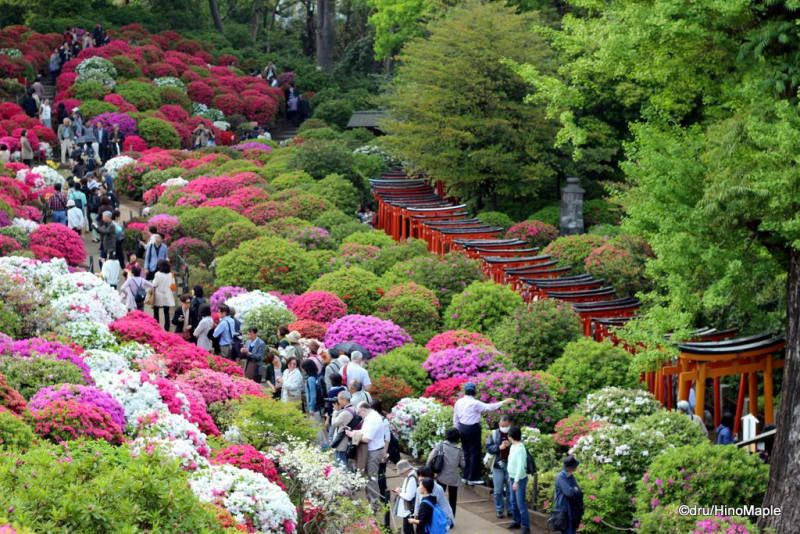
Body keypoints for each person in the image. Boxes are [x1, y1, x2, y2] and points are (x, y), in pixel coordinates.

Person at [453, 382, 513, 485]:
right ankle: (473, 478)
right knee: (474, 453)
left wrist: (457, 429)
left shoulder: (459, 402)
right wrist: (504, 402)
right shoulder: (475, 403)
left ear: (465, 392)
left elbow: (455, 418)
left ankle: (466, 476)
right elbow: (490, 407)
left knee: (466, 452)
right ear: (474, 392)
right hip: (472, 429)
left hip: (462, 428)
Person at [346, 401, 386, 505]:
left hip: (373, 452)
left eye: (359, 413)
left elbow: (366, 438)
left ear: (364, 410)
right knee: (368, 477)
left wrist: (351, 434)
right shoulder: (370, 417)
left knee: (371, 478)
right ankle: (371, 502)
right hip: (372, 450)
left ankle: (374, 504)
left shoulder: (373, 419)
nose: (359, 415)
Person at [427, 427, 464, 517]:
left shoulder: (441, 445)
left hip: (441, 476)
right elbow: (463, 464)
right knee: (452, 499)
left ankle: (439, 517)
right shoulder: (459, 450)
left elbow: (431, 457)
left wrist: (429, 470)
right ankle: (451, 519)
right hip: (453, 478)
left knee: (439, 497)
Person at [486, 415, 513, 518]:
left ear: (510, 424)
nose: (503, 427)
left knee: (510, 490)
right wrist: (499, 447)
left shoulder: (513, 433)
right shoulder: (494, 434)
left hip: (511, 465)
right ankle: (499, 510)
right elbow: (488, 448)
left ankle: (510, 510)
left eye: (505, 426)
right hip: (498, 464)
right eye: (501, 425)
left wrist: (510, 444)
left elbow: (520, 445)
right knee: (498, 490)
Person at [507, 426, 531, 534]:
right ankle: (516, 521)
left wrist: (516, 481)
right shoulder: (513, 446)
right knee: (513, 501)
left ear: (511, 436)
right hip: (512, 477)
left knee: (520, 503)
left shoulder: (520, 449)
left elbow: (520, 467)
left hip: (519, 479)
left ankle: (526, 526)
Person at [553, 455, 582, 534]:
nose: (576, 468)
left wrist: (575, 490)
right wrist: (575, 490)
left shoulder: (570, 476)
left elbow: (578, 490)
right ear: (571, 467)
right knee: (567, 531)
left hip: (572, 509)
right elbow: (569, 493)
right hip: (564, 510)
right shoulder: (561, 477)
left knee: (572, 530)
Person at [330, 389, 356, 467]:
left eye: (338, 399)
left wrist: (335, 411)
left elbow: (334, 424)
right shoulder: (353, 408)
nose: (337, 401)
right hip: (346, 440)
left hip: (342, 443)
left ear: (343, 400)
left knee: (341, 464)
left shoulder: (345, 413)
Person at [393, 460, 418, 534]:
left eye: (401, 473)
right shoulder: (410, 476)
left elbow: (409, 496)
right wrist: (401, 489)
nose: (401, 475)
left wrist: (399, 493)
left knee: (407, 530)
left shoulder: (411, 478)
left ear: (405, 471)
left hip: (408, 509)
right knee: (408, 529)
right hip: (409, 509)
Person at [152, 259, 176, 331]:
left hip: (158, 295)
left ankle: (156, 326)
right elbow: (173, 285)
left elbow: (154, 284)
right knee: (166, 312)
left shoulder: (157, 274)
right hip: (167, 295)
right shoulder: (170, 275)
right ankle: (167, 328)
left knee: (156, 311)